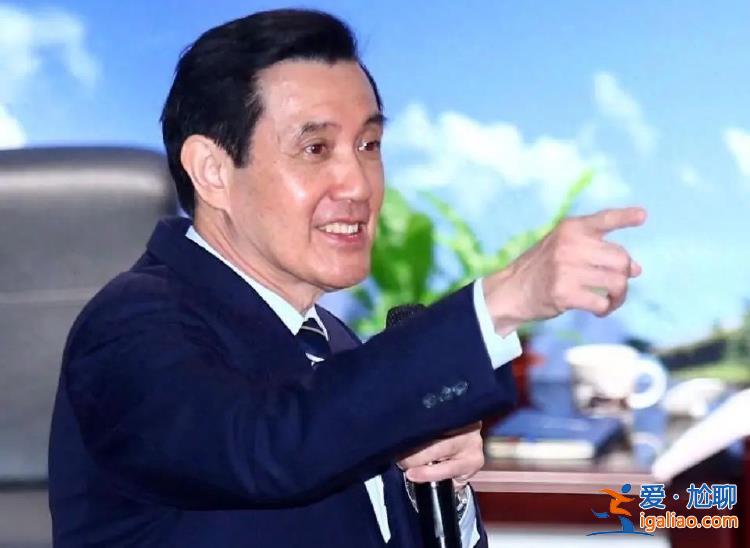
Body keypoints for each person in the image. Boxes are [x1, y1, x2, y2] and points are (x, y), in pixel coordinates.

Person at [48, 8, 646, 548]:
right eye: (315, 149)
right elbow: (270, 448)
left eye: (369, 144)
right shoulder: (129, 327)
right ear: (212, 171)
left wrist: (447, 496)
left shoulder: (334, 344)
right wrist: (501, 300)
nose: (358, 184)